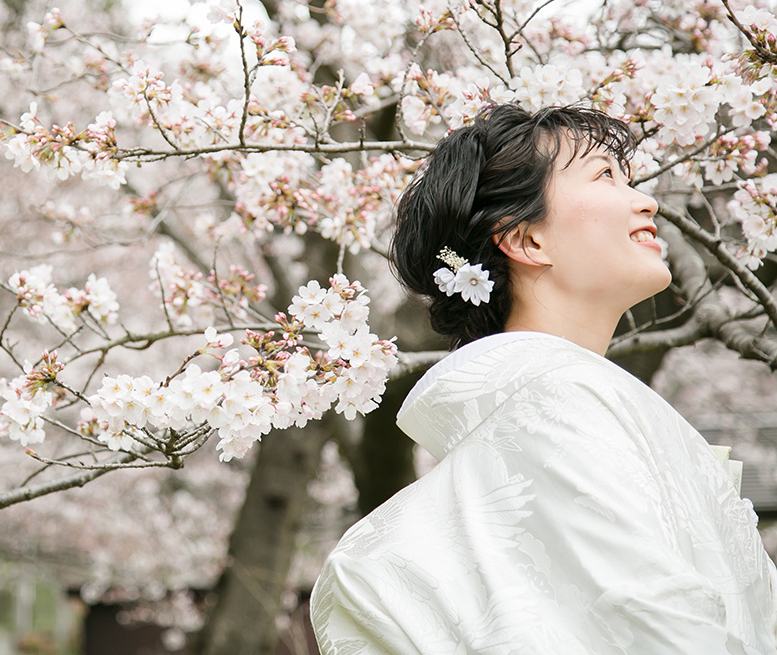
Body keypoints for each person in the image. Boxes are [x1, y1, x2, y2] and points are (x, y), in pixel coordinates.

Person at [310, 104, 777, 654]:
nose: (646, 199)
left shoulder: (385, 545)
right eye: (605, 175)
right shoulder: (562, 402)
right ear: (528, 242)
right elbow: (663, 623)